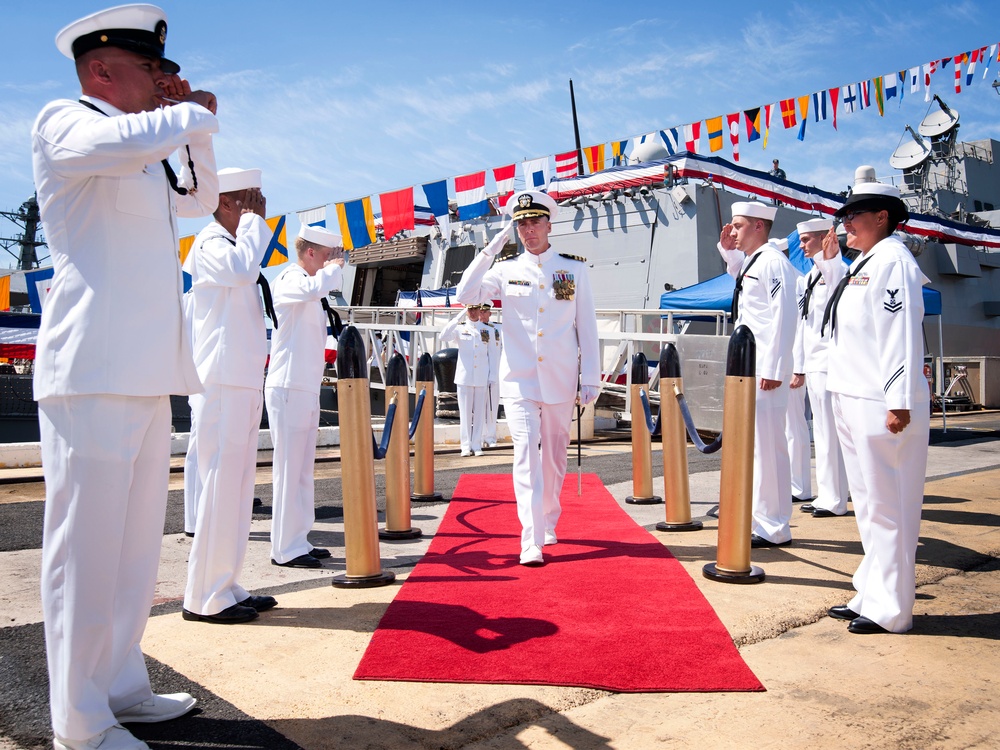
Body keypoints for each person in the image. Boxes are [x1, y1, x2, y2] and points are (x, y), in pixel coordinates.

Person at [32, 5, 219, 748]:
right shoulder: (67, 123)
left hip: (145, 371)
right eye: (152, 69)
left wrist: (199, 128)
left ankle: (120, 688)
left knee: (135, 551)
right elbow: (121, 136)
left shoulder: (142, 155)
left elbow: (200, 201)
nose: (163, 82)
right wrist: (190, 112)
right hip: (92, 371)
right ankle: (78, 724)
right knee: (85, 554)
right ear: (99, 69)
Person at [456, 190, 601, 566]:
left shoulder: (574, 269)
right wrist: (491, 248)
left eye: (535, 221)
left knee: (553, 459)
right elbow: (465, 294)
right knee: (525, 456)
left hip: (560, 378)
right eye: (522, 223)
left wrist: (591, 377)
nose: (528, 229)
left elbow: (586, 326)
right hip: (519, 379)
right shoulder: (504, 270)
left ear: (549, 225)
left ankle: (549, 518)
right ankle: (530, 539)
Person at [817, 182, 930, 634]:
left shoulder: (895, 262)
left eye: (854, 216)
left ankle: (892, 609)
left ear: (882, 216)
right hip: (853, 395)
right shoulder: (865, 262)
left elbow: (899, 332)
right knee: (868, 506)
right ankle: (871, 591)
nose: (845, 223)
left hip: (881, 401)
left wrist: (899, 401)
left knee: (891, 507)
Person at [182, 167, 276, 625]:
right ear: (225, 203)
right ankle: (204, 595)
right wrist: (255, 223)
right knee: (220, 486)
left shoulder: (235, 245)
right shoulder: (211, 244)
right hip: (219, 380)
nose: (258, 207)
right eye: (249, 199)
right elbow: (242, 272)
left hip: (240, 379)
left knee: (238, 489)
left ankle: (227, 582)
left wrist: (252, 224)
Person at [718, 201, 799, 548]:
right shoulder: (755, 261)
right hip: (751, 369)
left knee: (768, 449)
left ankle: (775, 525)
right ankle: (762, 518)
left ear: (758, 227)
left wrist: (775, 368)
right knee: (755, 448)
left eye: (738, 226)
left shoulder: (774, 262)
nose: (732, 231)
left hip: (766, 369)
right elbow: (740, 280)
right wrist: (727, 248)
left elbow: (784, 316)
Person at [267, 224, 346, 568]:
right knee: (288, 468)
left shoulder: (311, 288)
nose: (334, 262)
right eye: (329, 255)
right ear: (311, 252)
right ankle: (284, 548)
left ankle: (299, 539)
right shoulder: (290, 280)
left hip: (304, 386)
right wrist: (334, 270)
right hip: (287, 386)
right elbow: (314, 288)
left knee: (302, 470)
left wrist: (331, 271)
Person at [795, 218, 850, 518]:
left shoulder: (839, 270)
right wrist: (800, 365)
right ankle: (827, 494)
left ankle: (836, 499)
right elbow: (806, 326)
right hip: (815, 363)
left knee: (832, 432)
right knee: (822, 431)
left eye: (806, 240)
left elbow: (836, 304)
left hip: (830, 362)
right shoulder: (809, 277)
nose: (801, 246)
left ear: (823, 239)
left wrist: (830, 258)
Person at [780, 235, 813, 504]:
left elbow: (801, 326)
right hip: (774, 365)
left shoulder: (796, 281)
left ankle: (799, 485)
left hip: (789, 364)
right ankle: (785, 482)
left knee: (794, 426)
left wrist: (798, 368)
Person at [439, 304, 490, 457]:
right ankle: (465, 446)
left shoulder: (486, 329)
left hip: (481, 376)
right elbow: (443, 336)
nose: (473, 312)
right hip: (465, 377)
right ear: (466, 311)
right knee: (465, 414)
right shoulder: (460, 328)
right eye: (470, 309)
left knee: (480, 414)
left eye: (476, 309)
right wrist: (458, 316)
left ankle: (477, 445)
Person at [480, 302, 503, 448]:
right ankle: (480, 436)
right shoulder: (472, 329)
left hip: (495, 373)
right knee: (479, 407)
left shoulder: (498, 329)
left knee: (493, 407)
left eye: (485, 312)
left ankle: (491, 436)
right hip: (479, 374)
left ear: (490, 313)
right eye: (480, 311)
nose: (482, 314)